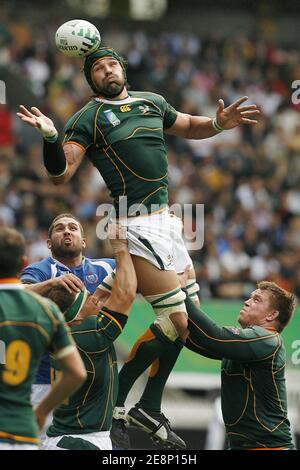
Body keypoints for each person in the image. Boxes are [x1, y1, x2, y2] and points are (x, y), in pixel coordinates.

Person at [17, 46, 260, 448]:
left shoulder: (152, 102)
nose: (107, 70)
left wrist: (219, 123)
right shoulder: (88, 118)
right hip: (132, 223)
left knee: (178, 328)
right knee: (183, 323)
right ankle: (125, 404)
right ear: (90, 79)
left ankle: (145, 403)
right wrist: (50, 137)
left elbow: (189, 125)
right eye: (97, 68)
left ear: (123, 69)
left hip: (168, 221)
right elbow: (60, 173)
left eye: (112, 64)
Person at [41, 224, 137, 450]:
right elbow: (126, 294)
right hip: (81, 441)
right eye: (87, 296)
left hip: (68, 437)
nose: (95, 298)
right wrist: (120, 247)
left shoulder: (66, 332)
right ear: (77, 309)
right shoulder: (89, 333)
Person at [20, 213, 115, 439]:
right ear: (49, 243)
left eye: (73, 228)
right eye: (59, 228)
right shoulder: (41, 270)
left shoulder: (105, 267)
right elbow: (18, 294)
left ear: (84, 241)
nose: (67, 231)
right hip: (44, 381)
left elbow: (142, 274)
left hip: (92, 387)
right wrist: (53, 283)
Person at [183, 278, 296, 450]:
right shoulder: (249, 344)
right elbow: (197, 341)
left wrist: (176, 291)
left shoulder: (268, 340)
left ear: (272, 315)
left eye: (256, 299)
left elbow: (213, 336)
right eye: (250, 297)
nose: (246, 301)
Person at [0, 227, 86, 450]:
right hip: (22, 432)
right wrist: (41, 412)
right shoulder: (47, 311)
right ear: (23, 264)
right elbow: (76, 373)